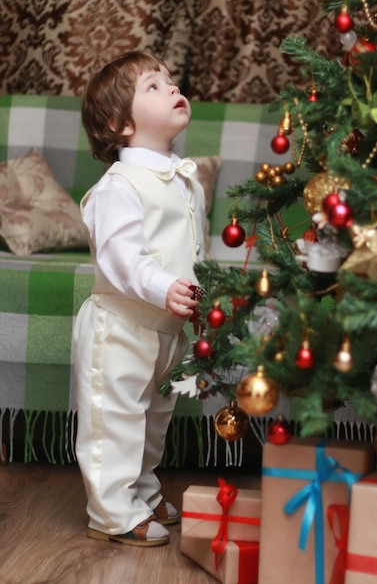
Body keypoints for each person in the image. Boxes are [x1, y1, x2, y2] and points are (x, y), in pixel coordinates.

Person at [72, 51, 206, 547]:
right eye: (154, 86)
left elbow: (192, 249)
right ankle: (111, 512)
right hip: (122, 326)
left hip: (167, 329)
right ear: (119, 123)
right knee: (116, 419)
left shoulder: (184, 178)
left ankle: (143, 494)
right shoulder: (118, 185)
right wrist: (161, 287)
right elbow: (121, 257)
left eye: (170, 79)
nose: (172, 87)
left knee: (154, 419)